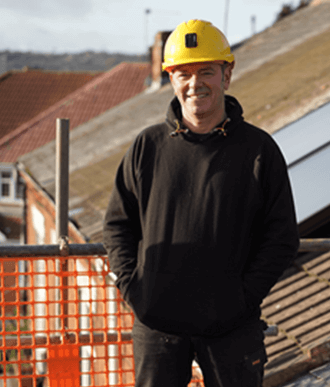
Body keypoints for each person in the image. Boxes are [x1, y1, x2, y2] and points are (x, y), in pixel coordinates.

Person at [103, 19, 299, 387]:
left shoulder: (259, 151)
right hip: (156, 327)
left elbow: (282, 238)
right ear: (171, 79)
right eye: (183, 74)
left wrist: (240, 300)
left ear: (226, 75)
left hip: (232, 330)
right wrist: (134, 290)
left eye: (206, 72)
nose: (195, 84)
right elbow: (117, 225)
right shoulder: (147, 148)